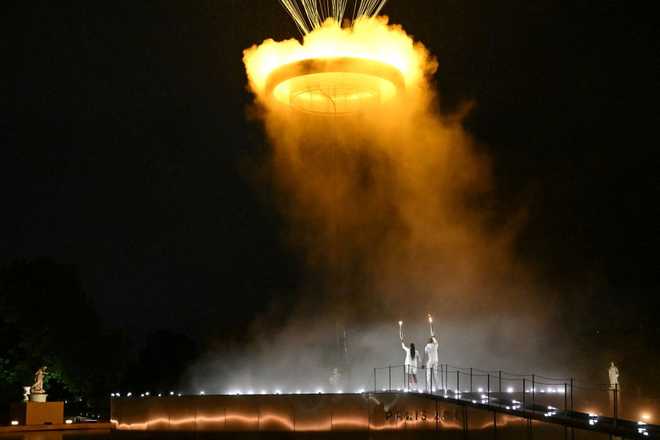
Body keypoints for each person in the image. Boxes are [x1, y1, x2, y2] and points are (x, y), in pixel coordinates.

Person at [424, 314, 439, 391]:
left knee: (428, 375)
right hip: (436, 360)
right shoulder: (436, 344)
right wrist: (433, 336)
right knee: (436, 375)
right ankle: (437, 388)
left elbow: (425, 353)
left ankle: (429, 389)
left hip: (430, 361)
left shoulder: (427, 346)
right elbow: (434, 337)